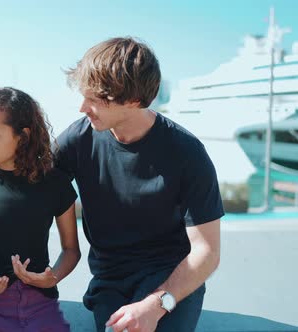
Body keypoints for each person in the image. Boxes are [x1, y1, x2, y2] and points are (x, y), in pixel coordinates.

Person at [55, 37, 223, 332]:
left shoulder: (187, 153)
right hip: (110, 279)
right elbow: (24, 193)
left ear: (133, 100)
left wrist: (156, 304)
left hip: (172, 279)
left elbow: (206, 252)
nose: (83, 107)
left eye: (95, 99)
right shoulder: (78, 139)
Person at [0, 87, 81, 331]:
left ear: (22, 136)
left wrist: (51, 277)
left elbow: (71, 250)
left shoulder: (56, 182)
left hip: (42, 302)